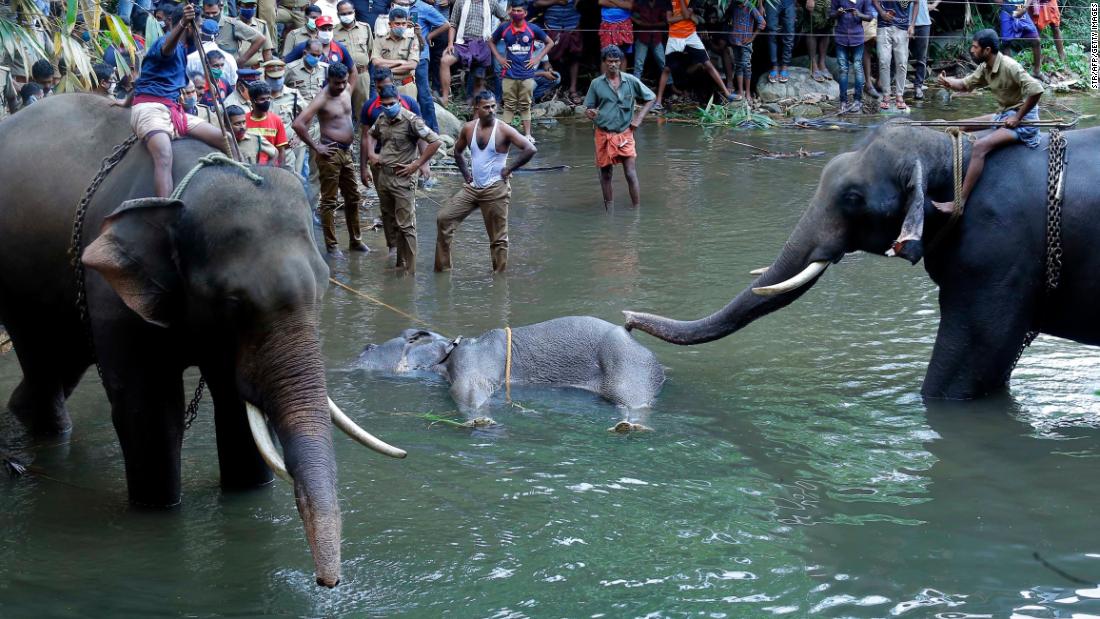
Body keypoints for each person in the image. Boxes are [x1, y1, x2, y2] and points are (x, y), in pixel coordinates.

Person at [933, 29, 1044, 214]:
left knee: (980, 147)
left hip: (1024, 121)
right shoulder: (985, 67)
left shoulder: (1010, 66)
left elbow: (1037, 89)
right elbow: (965, 85)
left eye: (975, 47)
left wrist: (1018, 118)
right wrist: (947, 82)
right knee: (959, 124)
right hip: (1003, 114)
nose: (971, 50)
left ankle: (959, 203)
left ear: (987, 50)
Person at [124, 2, 228, 198]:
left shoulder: (183, 48)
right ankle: (164, 211)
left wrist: (124, 102)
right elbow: (166, 49)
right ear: (188, 26)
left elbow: (142, 80)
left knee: (225, 139)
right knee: (164, 155)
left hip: (174, 111)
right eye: (197, 25)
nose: (199, 30)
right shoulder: (163, 43)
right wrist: (182, 24)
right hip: (150, 110)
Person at [434, 90, 535, 273]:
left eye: (493, 106)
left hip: (496, 188)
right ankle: (443, 270)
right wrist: (466, 175)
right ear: (477, 108)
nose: (491, 110)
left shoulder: (503, 129)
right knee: (444, 219)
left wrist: (509, 169)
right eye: (486, 107)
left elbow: (530, 149)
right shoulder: (469, 128)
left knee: (498, 238)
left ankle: (499, 281)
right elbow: (457, 151)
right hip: (473, 188)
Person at [364, 84, 442, 273]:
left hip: (403, 178)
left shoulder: (412, 120)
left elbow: (436, 141)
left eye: (392, 104)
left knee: (406, 226)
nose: (389, 107)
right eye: (385, 104)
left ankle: (411, 270)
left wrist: (417, 164)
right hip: (384, 176)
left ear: (399, 101)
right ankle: (400, 264)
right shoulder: (382, 118)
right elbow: (370, 134)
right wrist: (371, 155)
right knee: (390, 221)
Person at [293, 63, 369, 256]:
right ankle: (332, 246)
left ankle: (355, 240)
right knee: (329, 201)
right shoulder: (322, 97)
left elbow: (353, 71)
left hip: (346, 152)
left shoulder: (347, 88)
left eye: (344, 82)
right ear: (329, 80)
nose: (341, 86)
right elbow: (298, 124)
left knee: (353, 197)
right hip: (329, 153)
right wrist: (316, 146)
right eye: (337, 83)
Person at [584, 45, 655, 210]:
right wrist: (590, 112)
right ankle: (609, 210)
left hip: (625, 133)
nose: (613, 65)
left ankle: (636, 210)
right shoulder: (596, 84)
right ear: (604, 63)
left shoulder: (630, 81)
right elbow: (588, 107)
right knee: (606, 175)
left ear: (621, 62)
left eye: (616, 61)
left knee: (630, 173)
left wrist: (638, 118)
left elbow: (651, 98)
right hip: (603, 134)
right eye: (610, 61)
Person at [654, 0, 736, 109]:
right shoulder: (670, 1)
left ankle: (727, 93)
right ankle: (658, 102)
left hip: (690, 36)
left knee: (708, 64)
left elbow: (685, 14)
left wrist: (684, 10)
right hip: (675, 37)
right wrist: (689, 17)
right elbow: (670, 19)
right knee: (667, 69)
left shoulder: (691, 1)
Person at [491, 0, 552, 142]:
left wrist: (537, 59)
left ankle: (528, 135)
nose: (517, 13)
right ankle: (505, 136)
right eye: (515, 10)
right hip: (509, 73)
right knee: (509, 104)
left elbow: (549, 42)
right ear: (510, 11)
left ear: (525, 13)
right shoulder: (504, 28)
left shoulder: (533, 29)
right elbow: (490, 41)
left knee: (525, 104)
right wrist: (500, 58)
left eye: (520, 11)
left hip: (527, 74)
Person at [393, 0, 449, 132]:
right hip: (400, 56)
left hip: (420, 56)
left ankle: (433, 130)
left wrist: (427, 36)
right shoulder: (396, 6)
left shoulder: (425, 8)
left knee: (423, 93)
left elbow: (445, 24)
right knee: (401, 90)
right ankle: (406, 129)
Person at [440, 0, 507, 105]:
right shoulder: (460, 2)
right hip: (463, 43)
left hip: (482, 44)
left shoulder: (491, 3)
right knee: (445, 61)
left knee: (478, 80)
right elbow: (452, 24)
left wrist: (495, 36)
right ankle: (445, 98)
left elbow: (506, 18)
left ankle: (475, 110)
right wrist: (450, 43)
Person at [333, 0, 375, 120]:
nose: (347, 16)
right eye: (343, 14)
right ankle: (343, 138)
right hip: (342, 77)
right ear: (338, 15)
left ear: (354, 12)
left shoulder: (365, 28)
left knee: (363, 110)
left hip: (362, 74)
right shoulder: (333, 32)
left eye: (349, 12)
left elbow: (370, 50)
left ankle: (363, 137)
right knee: (341, 108)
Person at [534, 0, 582, 104]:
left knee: (574, 56)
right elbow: (536, 2)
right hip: (552, 24)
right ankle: (551, 88)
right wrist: (556, 1)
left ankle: (573, 89)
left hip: (572, 23)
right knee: (550, 56)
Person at [831, 0, 873, 113]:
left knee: (858, 68)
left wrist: (859, 14)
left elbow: (870, 16)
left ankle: (857, 101)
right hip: (841, 37)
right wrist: (838, 13)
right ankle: (843, 102)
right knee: (843, 70)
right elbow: (830, 14)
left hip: (857, 37)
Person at [264, 58, 305, 172]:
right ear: (266, 77)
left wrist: (299, 136)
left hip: (287, 150)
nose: (277, 81)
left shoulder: (293, 95)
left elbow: (306, 116)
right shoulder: (260, 96)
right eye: (273, 78)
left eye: (280, 78)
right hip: (265, 150)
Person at [872, 0, 914, 111]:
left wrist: (912, 25)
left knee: (902, 63)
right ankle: (886, 96)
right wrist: (881, 12)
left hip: (903, 27)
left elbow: (917, 3)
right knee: (883, 61)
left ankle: (899, 96)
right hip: (883, 26)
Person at [373, 7, 421, 98]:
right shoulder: (380, 39)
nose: (401, 26)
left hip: (406, 86)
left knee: (408, 112)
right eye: (397, 24)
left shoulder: (412, 39)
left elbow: (412, 65)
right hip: (385, 86)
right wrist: (400, 62)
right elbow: (376, 62)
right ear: (390, 24)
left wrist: (387, 71)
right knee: (384, 111)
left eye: (404, 23)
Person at [202, 0, 268, 66]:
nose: (211, 16)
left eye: (214, 13)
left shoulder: (232, 24)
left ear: (221, 8)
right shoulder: (198, 25)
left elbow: (260, 39)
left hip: (228, 70)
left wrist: (241, 61)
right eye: (207, 13)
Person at [724, 0, 764, 101]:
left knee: (746, 65)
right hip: (735, 41)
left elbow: (762, 23)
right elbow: (726, 16)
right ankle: (741, 91)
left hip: (746, 43)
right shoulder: (733, 5)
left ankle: (748, 93)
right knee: (738, 66)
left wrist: (751, 38)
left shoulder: (750, 6)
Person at [187, 19, 241, 89]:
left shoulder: (190, 58)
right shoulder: (229, 58)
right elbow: (234, 85)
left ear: (199, 34)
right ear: (217, 35)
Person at [246, 80, 289, 165]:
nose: (266, 101)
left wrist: (280, 171)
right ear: (252, 100)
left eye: (268, 98)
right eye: (262, 99)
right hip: (250, 166)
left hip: (271, 168)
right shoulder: (243, 121)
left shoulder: (276, 120)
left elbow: (281, 151)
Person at [997, 0, 1041, 77]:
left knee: (1035, 39)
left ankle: (1036, 72)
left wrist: (1024, 8)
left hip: (1020, 6)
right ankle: (1013, 74)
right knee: (1006, 43)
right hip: (1006, 7)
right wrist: (1003, 5)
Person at [632, 0, 668, 85]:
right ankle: (634, 89)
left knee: (663, 64)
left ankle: (670, 85)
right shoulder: (640, 3)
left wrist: (649, 25)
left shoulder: (661, 4)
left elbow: (666, 21)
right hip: (642, 37)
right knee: (638, 65)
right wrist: (638, 22)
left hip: (656, 37)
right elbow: (630, 13)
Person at [909, 0, 940, 99]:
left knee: (922, 57)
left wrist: (935, 4)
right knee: (899, 55)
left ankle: (918, 86)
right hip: (904, 22)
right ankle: (892, 85)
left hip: (924, 23)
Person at [236, 0, 277, 67]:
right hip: (237, 70)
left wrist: (269, 72)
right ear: (238, 7)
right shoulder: (231, 25)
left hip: (257, 71)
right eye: (246, 6)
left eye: (252, 7)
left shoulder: (261, 25)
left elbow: (267, 53)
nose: (249, 9)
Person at [765, 0, 796, 83]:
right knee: (771, 34)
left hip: (789, 2)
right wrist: (760, 5)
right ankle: (774, 66)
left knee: (789, 33)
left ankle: (785, 66)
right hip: (771, 2)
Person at [1030, 0, 1065, 65]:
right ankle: (1037, 61)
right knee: (1036, 30)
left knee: (1055, 27)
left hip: (1050, 2)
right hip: (1036, 3)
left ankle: (1062, 58)